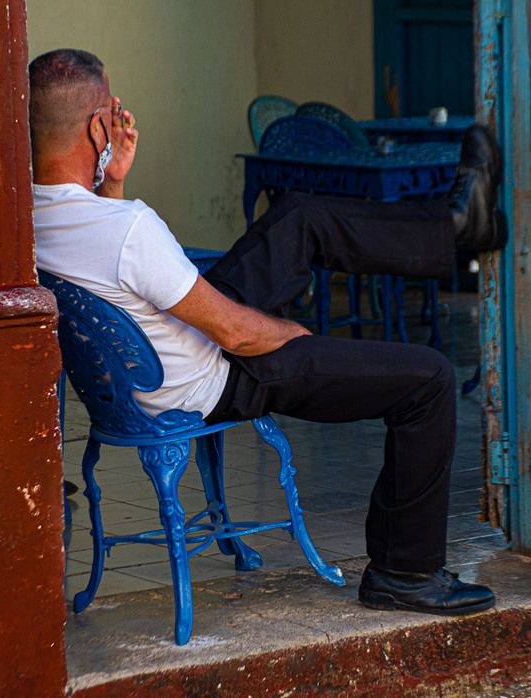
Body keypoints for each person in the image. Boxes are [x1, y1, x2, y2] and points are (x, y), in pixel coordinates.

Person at [30, 49, 506, 616]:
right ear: (96, 125)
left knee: (299, 215)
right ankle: (406, 572)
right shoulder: (128, 228)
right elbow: (237, 333)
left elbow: (107, 261)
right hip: (217, 376)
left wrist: (111, 182)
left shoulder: (26, 216)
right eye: (111, 110)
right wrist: (290, 334)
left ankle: (455, 228)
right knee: (429, 378)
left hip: (154, 370)